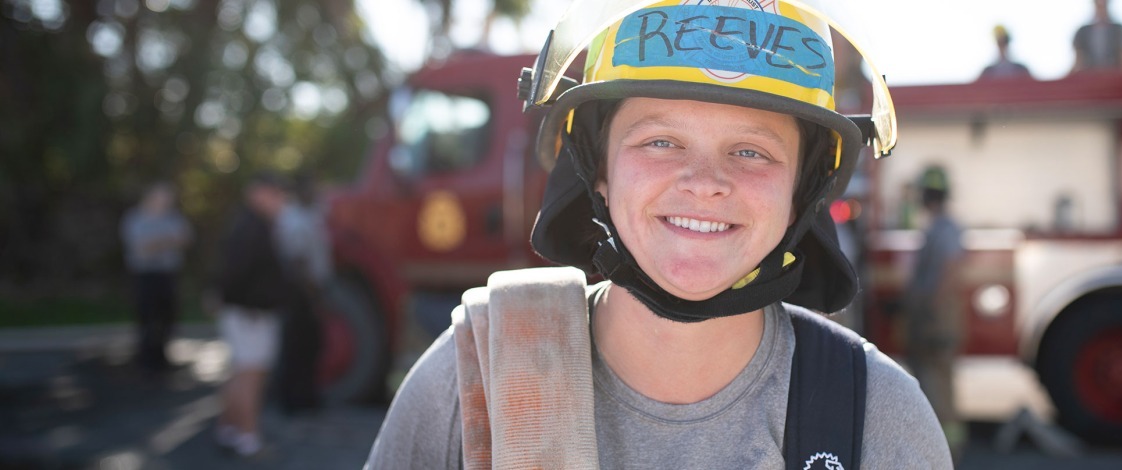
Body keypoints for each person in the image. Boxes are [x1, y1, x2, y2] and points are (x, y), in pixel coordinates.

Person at [366, 1, 951, 468]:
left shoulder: (874, 414)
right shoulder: (478, 373)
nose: (704, 183)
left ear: (803, 189)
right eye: (660, 141)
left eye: (751, 151)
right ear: (597, 165)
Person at [210, 172, 290, 458]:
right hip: (250, 314)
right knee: (251, 373)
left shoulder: (249, 224)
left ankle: (228, 428)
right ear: (258, 193)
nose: (281, 200)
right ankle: (248, 437)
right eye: (276, 193)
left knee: (240, 370)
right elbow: (237, 273)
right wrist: (245, 304)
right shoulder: (253, 228)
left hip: (245, 311)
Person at [903, 165, 967, 462]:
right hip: (931, 319)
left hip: (937, 322)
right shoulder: (937, 227)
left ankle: (948, 452)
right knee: (932, 382)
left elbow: (949, 272)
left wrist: (931, 313)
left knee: (938, 385)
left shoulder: (946, 229)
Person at [273, 170, 332, 415]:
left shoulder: (311, 213)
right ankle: (292, 399)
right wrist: (312, 295)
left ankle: (307, 395)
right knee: (296, 345)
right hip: (299, 291)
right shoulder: (293, 218)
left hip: (312, 289)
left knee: (310, 345)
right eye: (312, 188)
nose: (316, 192)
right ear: (301, 191)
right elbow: (297, 261)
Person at [120, 181, 192, 374]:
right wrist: (168, 240)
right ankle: (146, 359)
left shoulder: (173, 217)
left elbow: (185, 239)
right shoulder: (135, 218)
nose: (167, 201)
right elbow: (142, 248)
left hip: (168, 274)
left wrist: (158, 242)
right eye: (163, 196)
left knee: (168, 314)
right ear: (151, 196)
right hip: (145, 275)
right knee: (147, 316)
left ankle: (162, 357)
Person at [1072, 0, 1122, 71]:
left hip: (1113, 73)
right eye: (1099, 5)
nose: (1101, 7)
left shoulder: (1118, 29)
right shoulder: (1083, 31)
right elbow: (1078, 59)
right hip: (1090, 75)